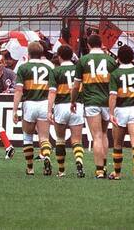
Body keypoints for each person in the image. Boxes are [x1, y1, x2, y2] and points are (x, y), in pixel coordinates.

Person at [71, 33, 117, 179]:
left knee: (96, 136)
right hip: (106, 101)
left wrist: (73, 101)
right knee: (104, 134)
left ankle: (99, 170)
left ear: (88, 45)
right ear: (101, 43)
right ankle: (103, 165)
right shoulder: (111, 60)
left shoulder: (83, 61)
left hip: (91, 101)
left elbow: (76, 85)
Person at [12, 41, 55, 176]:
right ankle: (46, 157)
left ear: (28, 54)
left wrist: (14, 109)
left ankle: (30, 168)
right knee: (44, 138)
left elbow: (19, 90)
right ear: (41, 53)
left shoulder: (23, 68)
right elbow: (53, 90)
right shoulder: (48, 68)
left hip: (29, 103)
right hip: (43, 103)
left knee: (28, 137)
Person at [47, 44, 86, 178]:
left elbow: (52, 92)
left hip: (61, 107)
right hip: (76, 106)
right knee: (76, 140)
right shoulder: (78, 69)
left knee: (60, 139)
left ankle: (61, 170)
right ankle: (79, 162)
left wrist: (49, 110)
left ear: (59, 56)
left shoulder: (55, 71)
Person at [108, 45, 134, 181]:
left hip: (121, 109)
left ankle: (117, 174)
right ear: (132, 58)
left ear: (118, 58)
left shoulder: (115, 74)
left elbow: (113, 96)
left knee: (118, 143)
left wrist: (111, 113)